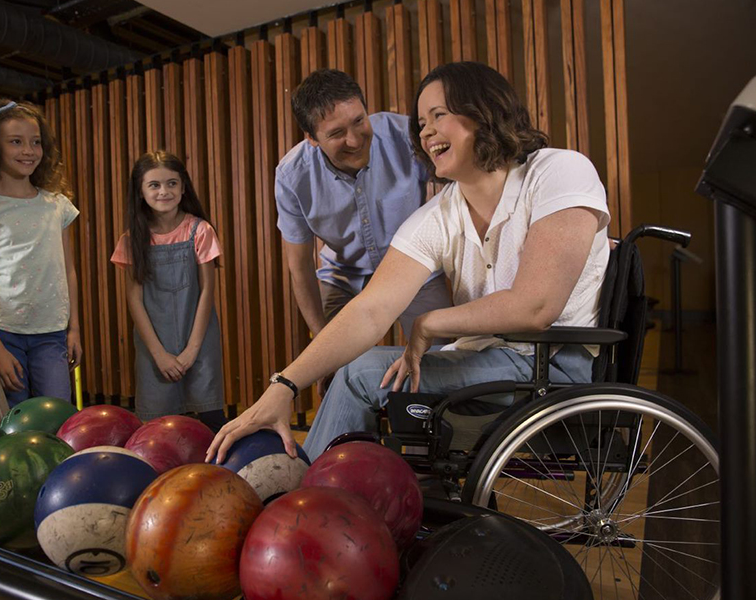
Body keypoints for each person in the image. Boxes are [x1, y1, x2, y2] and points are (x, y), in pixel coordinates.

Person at [207, 61, 610, 464]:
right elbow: (370, 309)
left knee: (361, 374)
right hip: (493, 358)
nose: (425, 132)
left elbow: (536, 306)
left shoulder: (559, 170)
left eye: (439, 115)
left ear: (483, 110)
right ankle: (341, 495)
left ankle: (306, 502)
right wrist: (282, 388)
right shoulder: (442, 212)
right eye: (421, 122)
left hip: (551, 364)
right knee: (363, 369)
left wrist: (431, 321)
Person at [277, 68, 452, 344]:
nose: (355, 140)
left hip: (416, 266)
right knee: (333, 369)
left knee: (442, 361)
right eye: (336, 133)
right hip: (343, 276)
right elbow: (299, 267)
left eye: (359, 121)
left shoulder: (405, 135)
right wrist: (322, 341)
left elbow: (456, 182)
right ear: (311, 138)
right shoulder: (291, 177)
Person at [0, 100, 82, 407]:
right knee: (12, 422)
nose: (28, 150)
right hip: (3, 333)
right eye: (16, 142)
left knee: (56, 417)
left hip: (51, 333)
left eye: (35, 142)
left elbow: (68, 270)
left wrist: (74, 327)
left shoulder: (56, 205)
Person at [111, 151, 225, 429]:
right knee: (157, 425)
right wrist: (159, 354)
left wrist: (192, 350)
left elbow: (207, 291)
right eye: (155, 185)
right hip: (154, 344)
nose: (165, 191)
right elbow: (134, 300)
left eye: (172, 183)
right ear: (140, 191)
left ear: (183, 187)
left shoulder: (200, 230)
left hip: (197, 339)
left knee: (209, 417)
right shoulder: (131, 239)